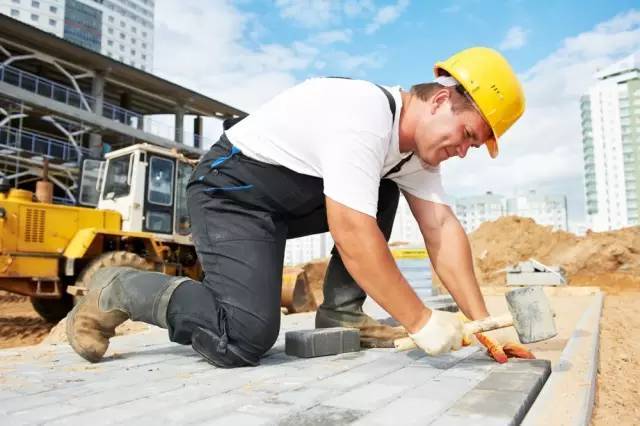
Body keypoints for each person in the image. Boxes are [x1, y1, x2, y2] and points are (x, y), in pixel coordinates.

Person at [66, 47, 530, 368]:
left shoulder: (413, 155)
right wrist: (421, 320)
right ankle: (119, 287)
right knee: (243, 338)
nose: (465, 151)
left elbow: (443, 230)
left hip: (284, 202)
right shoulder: (364, 114)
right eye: (468, 135)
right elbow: (349, 229)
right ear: (443, 100)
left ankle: (343, 314)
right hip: (229, 193)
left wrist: (484, 327)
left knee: (385, 186)